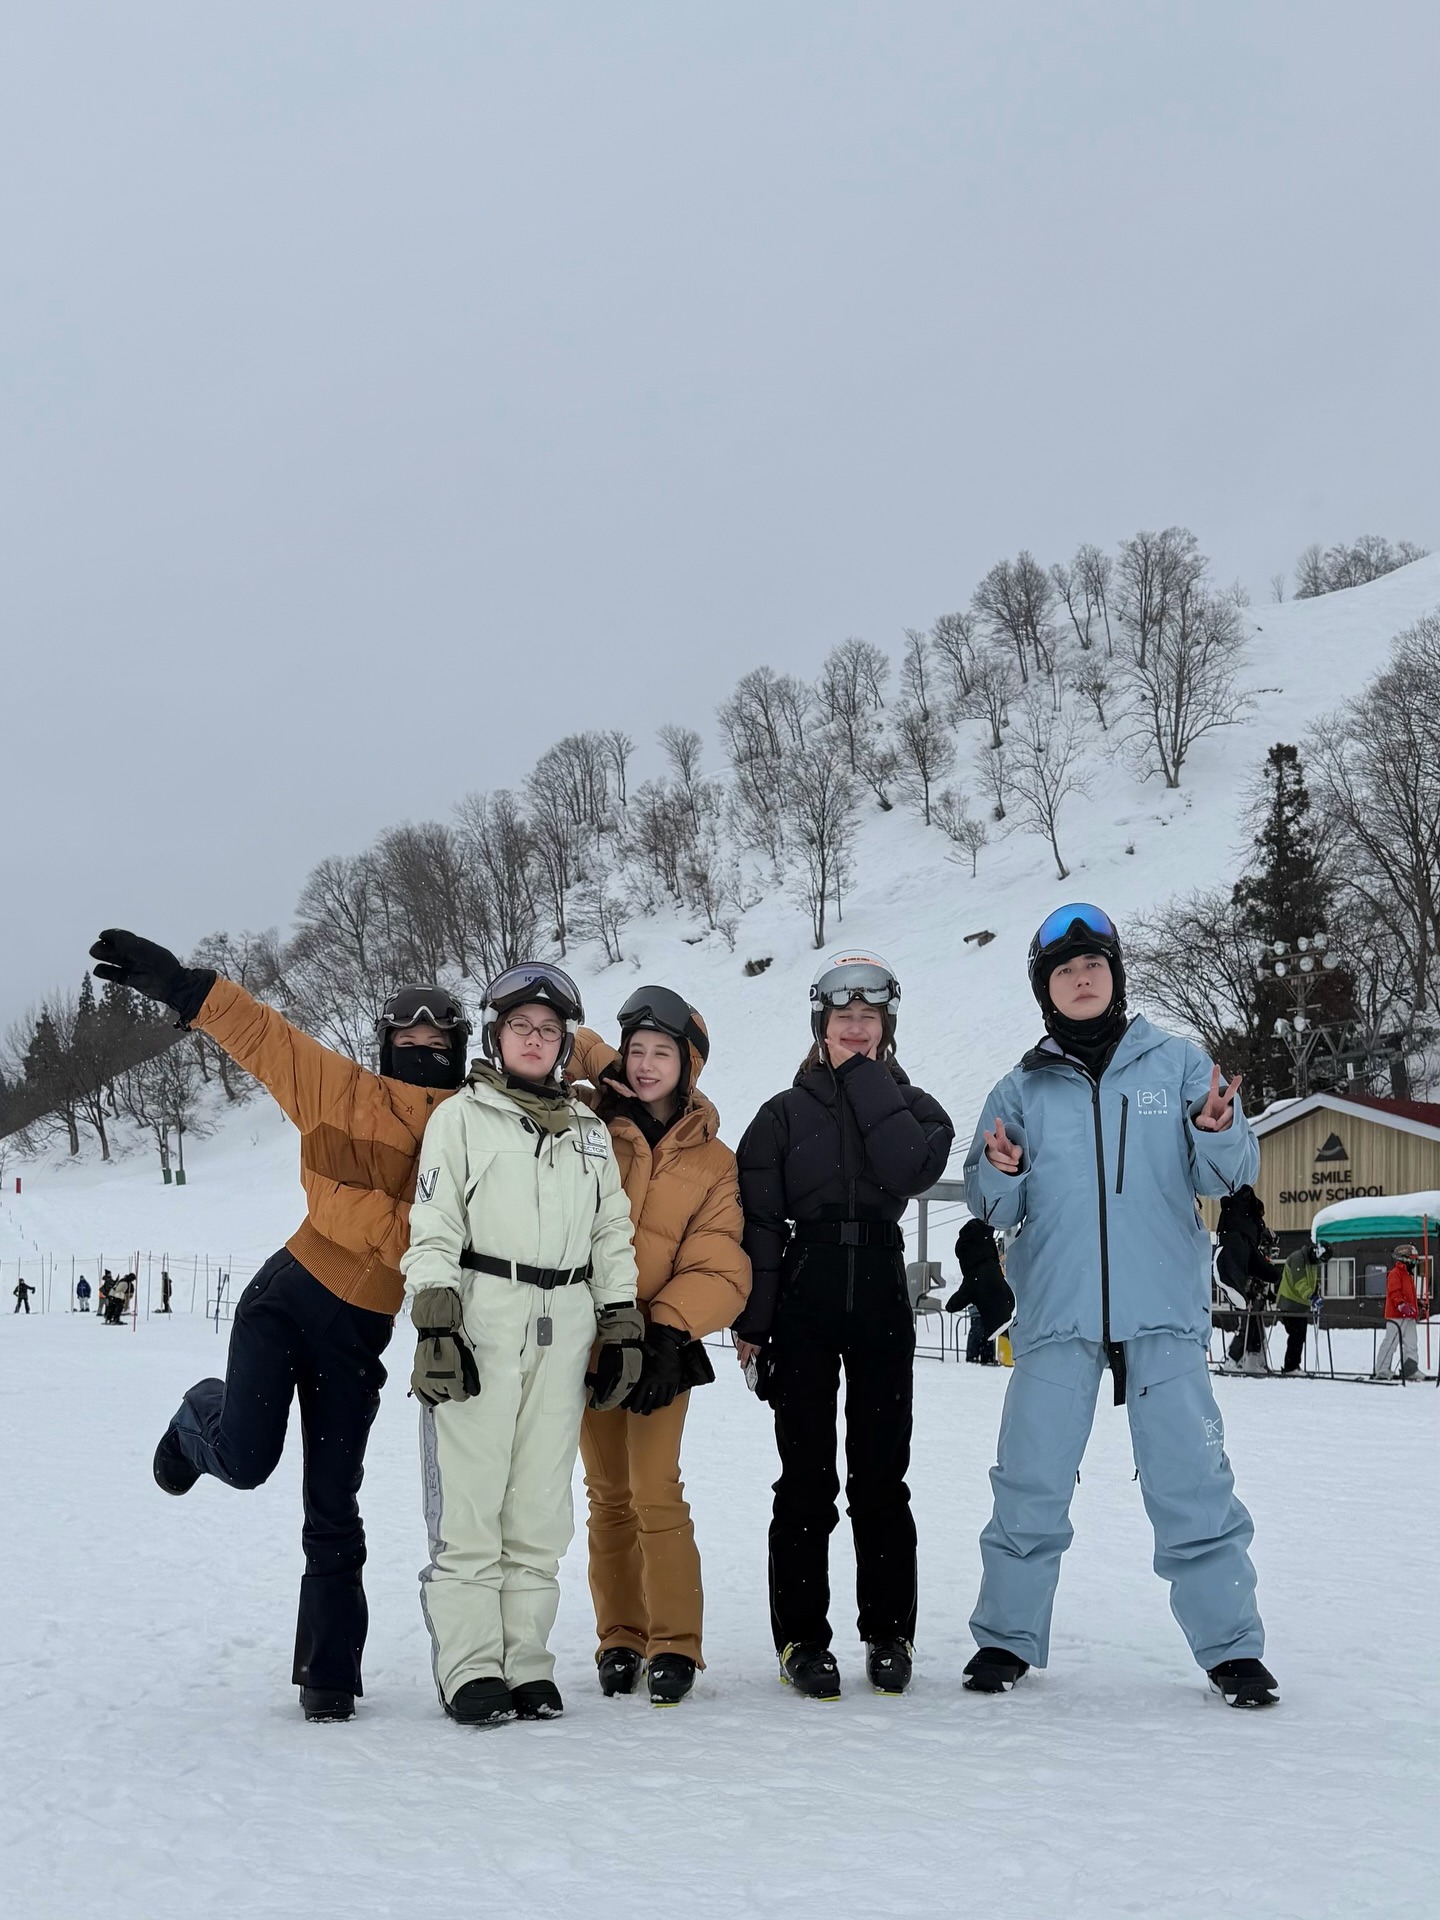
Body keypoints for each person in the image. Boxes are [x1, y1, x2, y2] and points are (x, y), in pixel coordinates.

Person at [90, 926, 472, 1723]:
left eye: (438, 1043)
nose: (422, 1052)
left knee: (334, 1500)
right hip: (285, 1299)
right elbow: (263, 1036)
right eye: (408, 1042)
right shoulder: (342, 1091)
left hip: (359, 1336)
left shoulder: (477, 1130)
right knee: (247, 1461)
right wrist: (185, 988)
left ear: (460, 1048)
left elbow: (560, 1088)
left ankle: (327, 1674)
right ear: (386, 1046)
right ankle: (198, 1416)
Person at [963, 904, 1278, 1709]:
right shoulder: (1019, 1087)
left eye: (1093, 966)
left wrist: (1217, 1130)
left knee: (1192, 1482)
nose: (1081, 979)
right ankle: (1005, 1639)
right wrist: (1001, 1171)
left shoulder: (1177, 1065)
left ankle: (1232, 1651)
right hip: (1057, 1314)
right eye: (1064, 971)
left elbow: (1227, 1173)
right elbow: (992, 1206)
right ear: (1045, 989)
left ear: (1116, 976)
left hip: (1162, 1310)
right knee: (1029, 1481)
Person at [401, 962, 642, 1727]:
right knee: (472, 1502)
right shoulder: (461, 1119)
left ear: (565, 1043)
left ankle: (525, 1662)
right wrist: (436, 1322)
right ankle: (472, 1664)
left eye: (547, 1030)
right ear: (496, 1036)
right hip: (485, 1312)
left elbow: (611, 1232)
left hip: (564, 1321)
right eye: (519, 1028)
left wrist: (620, 1322)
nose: (534, 1040)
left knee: (539, 1506)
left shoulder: (590, 1134)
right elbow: (434, 1224)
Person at [732, 951, 954, 1701]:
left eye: (869, 1017)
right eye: (842, 1017)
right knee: (806, 1477)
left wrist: (861, 1077)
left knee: (881, 1474)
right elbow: (761, 1228)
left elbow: (907, 1168)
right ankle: (802, 1638)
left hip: (883, 1290)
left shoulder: (918, 1110)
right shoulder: (780, 1116)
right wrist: (755, 1324)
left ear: (887, 1026)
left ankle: (889, 1632)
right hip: (807, 1289)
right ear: (819, 1024)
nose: (855, 1028)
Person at [566, 985, 750, 1708]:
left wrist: (668, 1329)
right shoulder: (588, 1121)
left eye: (662, 1053)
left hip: (659, 1347)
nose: (646, 1065)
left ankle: (674, 1642)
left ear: (688, 1065)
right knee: (607, 1496)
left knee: (654, 1489)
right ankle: (620, 1635)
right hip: (585, 1338)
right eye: (635, 1051)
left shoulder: (715, 1162)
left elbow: (719, 1260)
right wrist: (599, 1069)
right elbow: (557, 1042)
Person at [1217, 1186, 1282, 1375]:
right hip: (1248, 1297)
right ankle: (1231, 1359)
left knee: (1256, 1330)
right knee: (1245, 1329)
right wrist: (1251, 1290)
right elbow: (1249, 1271)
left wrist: (1268, 1295)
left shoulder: (1260, 1252)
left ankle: (1253, 1360)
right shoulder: (1251, 1247)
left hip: (1257, 1299)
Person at [947, 1218, 1015, 1365]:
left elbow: (960, 1297)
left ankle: (983, 1355)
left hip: (980, 1302)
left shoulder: (975, 1270)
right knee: (981, 1327)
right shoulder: (991, 1264)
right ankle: (979, 1355)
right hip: (986, 1304)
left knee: (982, 1328)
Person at [1274, 1240, 1322, 1374]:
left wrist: (1314, 1292)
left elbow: (1310, 1282)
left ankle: (1294, 1365)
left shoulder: (1312, 1262)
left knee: (1300, 1336)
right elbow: (1300, 1282)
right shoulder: (1298, 1258)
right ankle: (1290, 1367)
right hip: (1290, 1303)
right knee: (1296, 1336)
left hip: (1300, 1305)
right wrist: (1311, 1296)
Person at [1374, 1246, 1421, 1381]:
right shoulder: (1395, 1273)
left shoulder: (1408, 1275)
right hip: (1397, 1315)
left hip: (1409, 1315)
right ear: (1404, 1259)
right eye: (1412, 1260)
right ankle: (1382, 1369)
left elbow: (1408, 1295)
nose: (1414, 1263)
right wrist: (1401, 1305)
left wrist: (1418, 1303)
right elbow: (1394, 1292)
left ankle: (1410, 1369)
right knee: (1391, 1342)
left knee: (1411, 1342)